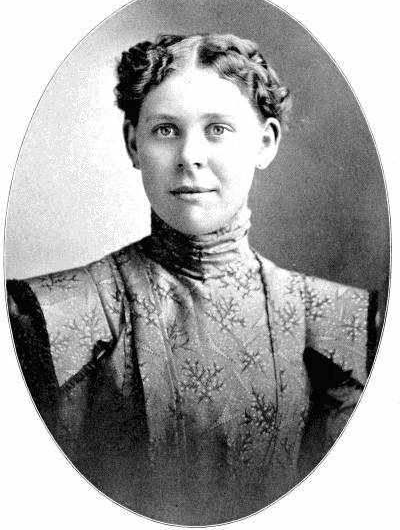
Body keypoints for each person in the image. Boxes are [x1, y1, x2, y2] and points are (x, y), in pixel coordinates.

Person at [7, 33, 377, 525]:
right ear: (133, 142)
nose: (189, 156)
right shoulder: (58, 314)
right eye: (165, 129)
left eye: (218, 129)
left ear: (265, 142)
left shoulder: (340, 321)